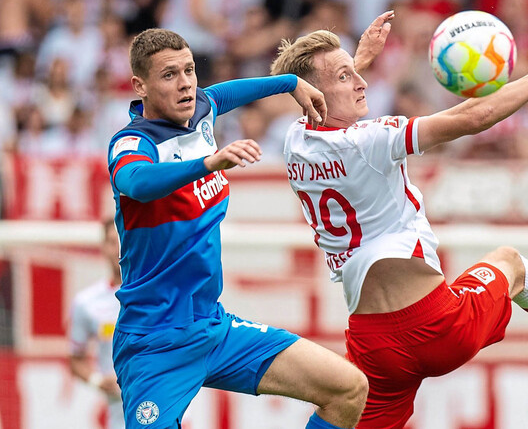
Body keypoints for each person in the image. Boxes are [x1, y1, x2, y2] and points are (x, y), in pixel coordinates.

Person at [271, 11, 528, 428]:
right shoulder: (370, 140)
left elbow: (315, 100)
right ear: (316, 92)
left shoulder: (293, 141)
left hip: (374, 346)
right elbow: (471, 118)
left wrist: (354, 63)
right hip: (438, 326)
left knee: (342, 413)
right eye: (345, 77)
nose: (361, 83)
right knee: (510, 262)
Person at [107, 28, 368, 429]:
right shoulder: (132, 142)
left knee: (348, 388)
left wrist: (290, 82)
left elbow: (228, 93)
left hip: (214, 327)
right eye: (169, 75)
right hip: (155, 341)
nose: (186, 84)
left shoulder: (200, 111)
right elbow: (136, 182)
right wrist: (208, 165)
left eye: (190, 70)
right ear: (139, 85)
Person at [69, 218, 123, 429]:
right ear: (103, 248)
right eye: (111, 241)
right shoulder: (86, 303)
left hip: (170, 411)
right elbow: (76, 358)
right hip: (120, 418)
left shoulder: (160, 294)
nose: (118, 247)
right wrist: (97, 381)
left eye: (122, 239)